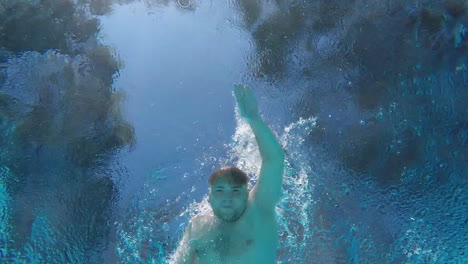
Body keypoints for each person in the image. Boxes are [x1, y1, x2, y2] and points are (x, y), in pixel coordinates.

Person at [170, 84, 285, 264]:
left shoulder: (258, 209)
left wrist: (254, 118)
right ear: (209, 199)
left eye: (235, 191)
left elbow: (275, 160)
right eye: (219, 191)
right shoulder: (197, 227)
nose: (227, 198)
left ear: (247, 194)